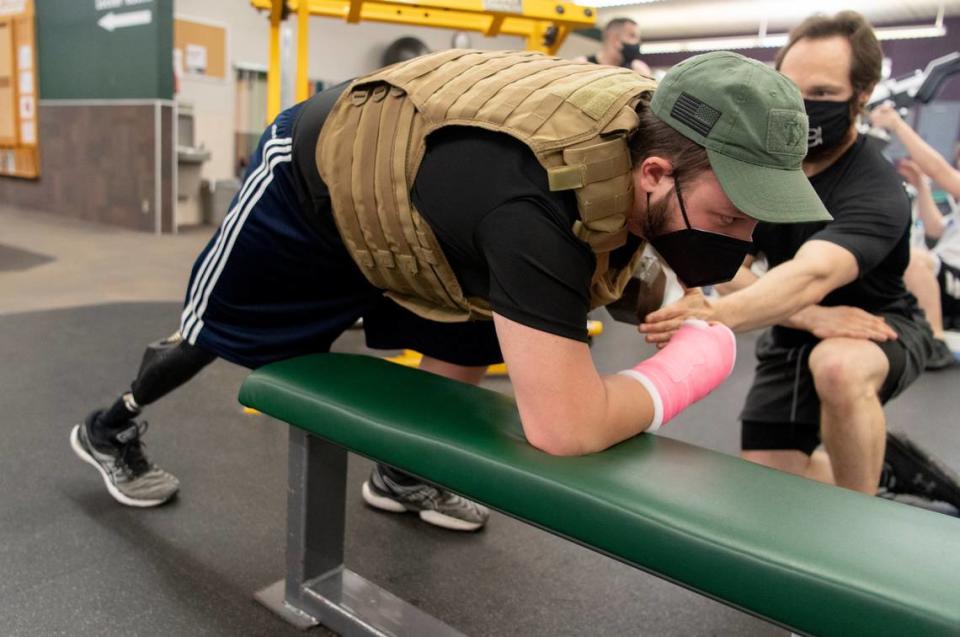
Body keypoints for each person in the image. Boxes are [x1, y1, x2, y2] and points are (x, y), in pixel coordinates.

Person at [71, 49, 831, 529]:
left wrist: (694, 302)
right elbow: (565, 427)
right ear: (655, 175)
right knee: (219, 330)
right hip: (312, 184)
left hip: (429, 214)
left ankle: (403, 476)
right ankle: (111, 424)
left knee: (473, 324)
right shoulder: (534, 205)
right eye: (729, 218)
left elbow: (636, 252)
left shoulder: (657, 139)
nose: (738, 246)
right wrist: (697, 365)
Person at [640, 11, 960, 510]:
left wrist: (715, 313)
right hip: (791, 328)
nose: (806, 106)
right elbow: (730, 266)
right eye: (791, 88)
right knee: (769, 492)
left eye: (825, 93)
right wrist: (808, 316)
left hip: (879, 327)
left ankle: (862, 518)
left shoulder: (874, 189)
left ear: (863, 92)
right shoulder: (762, 174)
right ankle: (885, 467)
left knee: (836, 365)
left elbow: (812, 272)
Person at [897, 157, 960, 366]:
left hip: (956, 276)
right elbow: (935, 228)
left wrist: (895, 124)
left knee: (915, 261)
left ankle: (936, 340)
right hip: (948, 272)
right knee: (897, 254)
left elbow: (938, 170)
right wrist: (921, 185)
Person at [578, 17, 652, 75]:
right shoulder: (582, 65)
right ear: (615, 40)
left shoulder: (638, 69)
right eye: (632, 36)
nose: (638, 42)